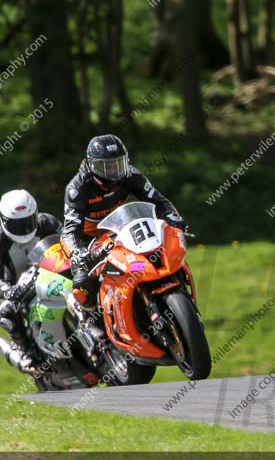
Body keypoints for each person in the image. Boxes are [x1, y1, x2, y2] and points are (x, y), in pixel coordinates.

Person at [61, 134, 186, 316]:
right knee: (82, 284)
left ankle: (174, 292)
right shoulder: (77, 189)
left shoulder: (131, 175)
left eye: (117, 164)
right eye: (106, 167)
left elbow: (159, 201)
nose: (113, 173)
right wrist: (77, 253)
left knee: (149, 259)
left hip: (119, 230)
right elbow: (70, 231)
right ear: (91, 165)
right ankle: (93, 323)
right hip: (89, 242)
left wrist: (172, 217)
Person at [0, 190, 62, 370]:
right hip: (13, 287)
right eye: (17, 224)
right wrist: (8, 291)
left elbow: (67, 243)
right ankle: (26, 351)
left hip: (50, 273)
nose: (25, 229)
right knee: (5, 314)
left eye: (28, 222)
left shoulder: (48, 222)